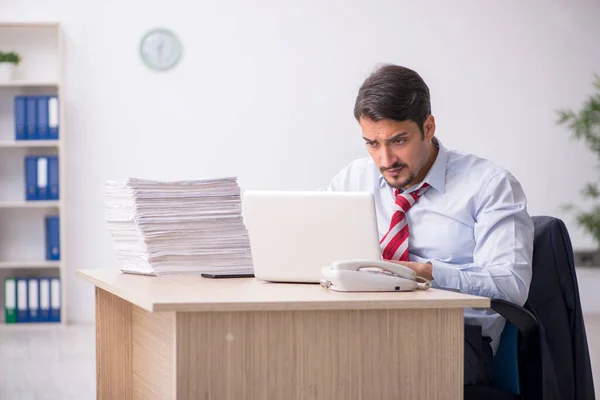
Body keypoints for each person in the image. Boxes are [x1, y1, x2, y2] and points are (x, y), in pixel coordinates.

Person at [327, 64, 534, 389]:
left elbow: (511, 286)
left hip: (455, 337)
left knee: (363, 373)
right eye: (372, 143)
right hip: (363, 326)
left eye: (398, 140)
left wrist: (422, 272)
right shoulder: (351, 180)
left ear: (428, 126)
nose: (385, 160)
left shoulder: (490, 186)